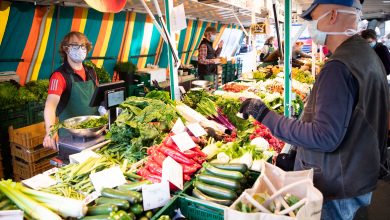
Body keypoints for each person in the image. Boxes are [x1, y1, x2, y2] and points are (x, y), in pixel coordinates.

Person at [239, 0, 388, 219]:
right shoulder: (367, 56)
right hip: (357, 175)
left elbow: (324, 136)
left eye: (312, 16)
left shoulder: (338, 67)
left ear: (333, 15)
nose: (309, 23)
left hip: (337, 186)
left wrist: (264, 114)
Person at [43, 31, 99, 149]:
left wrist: (104, 107)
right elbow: (50, 106)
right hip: (71, 139)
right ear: (66, 49)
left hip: (95, 132)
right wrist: (50, 132)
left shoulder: (91, 71)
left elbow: (97, 97)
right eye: (75, 45)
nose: (80, 48)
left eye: (83, 45)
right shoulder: (59, 76)